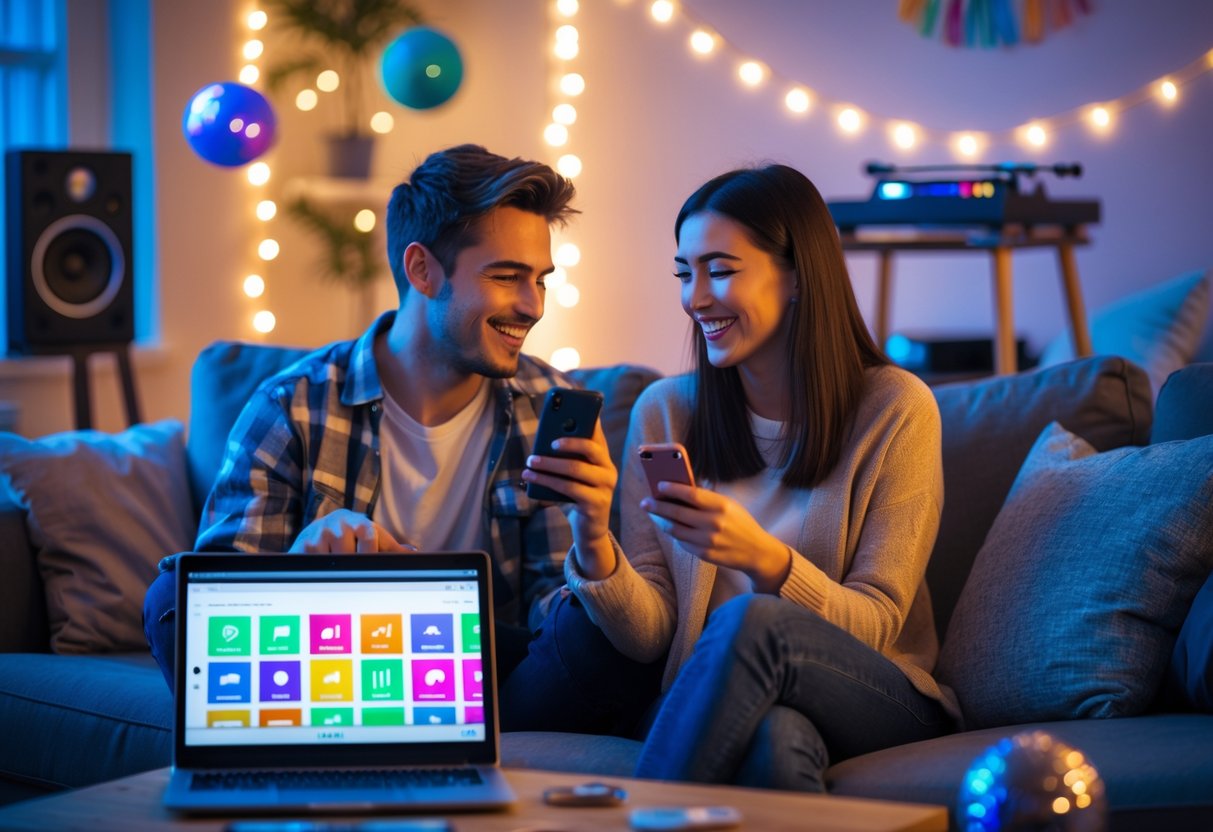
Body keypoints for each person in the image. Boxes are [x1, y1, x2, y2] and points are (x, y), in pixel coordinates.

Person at [511, 163, 960, 789]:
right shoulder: (667, 410)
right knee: (775, 743)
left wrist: (764, 560)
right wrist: (593, 539)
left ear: (798, 276)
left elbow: (880, 623)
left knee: (751, 621)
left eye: (720, 270)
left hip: (873, 690)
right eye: (684, 273)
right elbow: (651, 638)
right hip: (737, 696)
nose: (695, 298)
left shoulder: (895, 409)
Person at [142, 144, 617, 697]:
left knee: (602, 638)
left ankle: (417, 725)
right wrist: (299, 566)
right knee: (172, 597)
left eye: (540, 280)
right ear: (421, 269)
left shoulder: (549, 404)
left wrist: (594, 538)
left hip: (484, 665)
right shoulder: (292, 404)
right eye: (507, 275)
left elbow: (552, 620)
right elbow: (216, 600)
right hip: (328, 655)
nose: (533, 305)